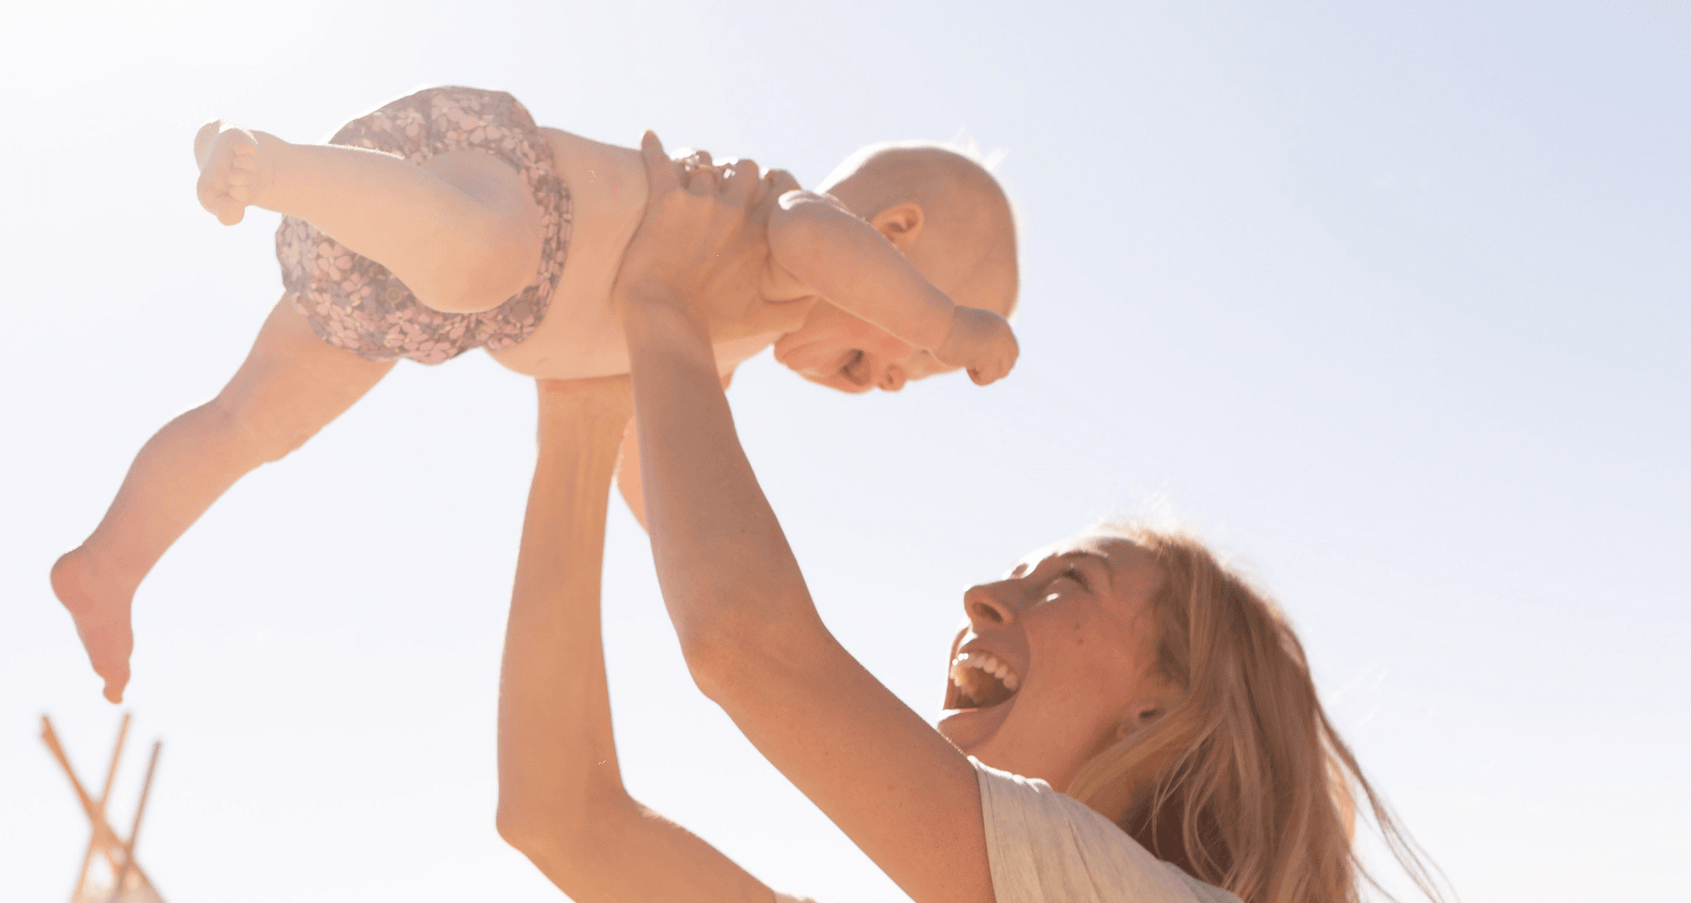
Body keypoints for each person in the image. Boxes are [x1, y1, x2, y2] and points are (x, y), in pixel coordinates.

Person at [495, 134, 1454, 903]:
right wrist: (581, 406)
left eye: (1064, 585)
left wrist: (661, 305)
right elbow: (557, 814)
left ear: (1162, 701)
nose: (981, 597)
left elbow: (748, 645)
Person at [52, 86, 1020, 703]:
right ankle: (270, 163)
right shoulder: (777, 227)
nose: (896, 378)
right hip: (481, 184)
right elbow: (823, 242)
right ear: (888, 235)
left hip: (420, 292)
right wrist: (950, 325)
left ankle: (109, 561)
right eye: (900, 355)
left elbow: (649, 471)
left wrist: (692, 555)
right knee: (483, 260)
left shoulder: (709, 346)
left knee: (251, 422)